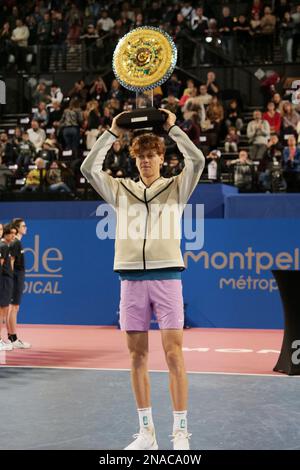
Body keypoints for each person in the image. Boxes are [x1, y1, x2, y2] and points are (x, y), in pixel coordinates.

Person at [80, 109, 205, 450]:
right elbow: (88, 168)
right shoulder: (119, 190)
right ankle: (146, 432)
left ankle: (180, 431)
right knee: (136, 357)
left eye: (152, 155)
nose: (147, 161)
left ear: (162, 158)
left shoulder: (177, 187)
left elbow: (198, 159)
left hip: (167, 279)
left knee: (174, 354)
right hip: (131, 280)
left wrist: (172, 128)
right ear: (134, 160)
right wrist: (111, 132)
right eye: (141, 157)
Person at [8, 219, 31, 349]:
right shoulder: (15, 243)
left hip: (18, 277)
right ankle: (13, 338)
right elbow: (11, 262)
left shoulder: (18, 242)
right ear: (17, 228)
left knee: (14, 308)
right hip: (15, 278)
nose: (26, 227)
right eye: (23, 226)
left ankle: (12, 338)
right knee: (13, 308)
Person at [0, 223, 17, 351]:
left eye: (0, 229)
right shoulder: (3, 246)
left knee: (4, 311)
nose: (0, 231)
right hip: (3, 281)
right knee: (2, 311)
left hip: (5, 280)